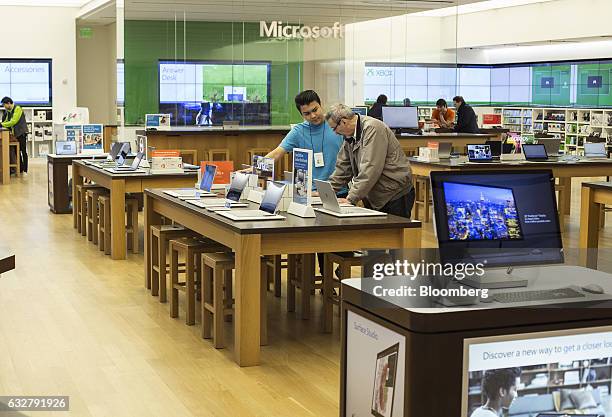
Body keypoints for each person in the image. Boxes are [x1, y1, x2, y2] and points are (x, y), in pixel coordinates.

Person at [258, 90, 344, 276]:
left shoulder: (336, 126)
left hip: (338, 190)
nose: (313, 115)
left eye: (315, 110)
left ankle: (339, 270)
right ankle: (327, 282)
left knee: (342, 238)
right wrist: (256, 168)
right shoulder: (298, 131)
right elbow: (278, 152)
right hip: (309, 195)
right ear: (301, 114)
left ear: (321, 105)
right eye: (307, 113)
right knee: (320, 239)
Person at [325, 104, 415, 218]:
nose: (335, 133)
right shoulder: (349, 135)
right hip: (374, 194)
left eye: (334, 128)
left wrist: (351, 198)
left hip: (394, 193)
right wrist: (328, 190)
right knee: (376, 234)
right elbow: (343, 167)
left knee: (393, 234)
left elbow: (370, 168)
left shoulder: (372, 128)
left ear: (343, 122)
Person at [1, 97, 28, 173]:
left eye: (4, 105)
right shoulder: (8, 112)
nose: (4, 107)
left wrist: (1, 124)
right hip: (16, 134)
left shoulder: (17, 109)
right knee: (17, 151)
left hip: (21, 133)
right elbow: (7, 121)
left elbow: (14, 121)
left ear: (9, 103)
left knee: (23, 151)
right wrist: (2, 124)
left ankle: (25, 169)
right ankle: (20, 169)